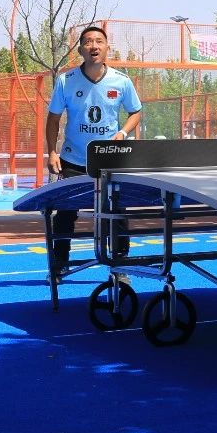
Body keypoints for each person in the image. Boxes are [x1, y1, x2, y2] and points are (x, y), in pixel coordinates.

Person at [45, 25, 143, 276]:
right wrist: (52, 152)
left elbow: (136, 112)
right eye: (88, 42)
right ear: (80, 49)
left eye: (99, 41)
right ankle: (59, 264)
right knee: (65, 214)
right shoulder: (66, 81)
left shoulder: (121, 81)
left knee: (117, 213)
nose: (94, 46)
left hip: (109, 159)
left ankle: (120, 266)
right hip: (73, 159)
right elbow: (53, 119)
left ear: (107, 47)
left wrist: (123, 133)